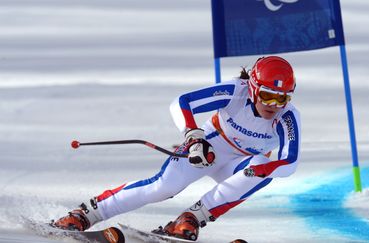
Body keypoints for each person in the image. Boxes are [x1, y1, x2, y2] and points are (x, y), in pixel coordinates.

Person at [53, 56, 301, 241]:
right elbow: (183, 102)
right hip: (209, 147)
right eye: (268, 95)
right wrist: (194, 137)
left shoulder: (288, 117)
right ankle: (86, 214)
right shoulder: (236, 91)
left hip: (240, 164)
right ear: (254, 87)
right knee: (163, 187)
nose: (274, 105)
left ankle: (191, 218)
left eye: (282, 98)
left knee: (262, 170)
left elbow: (289, 161)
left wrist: (262, 170)